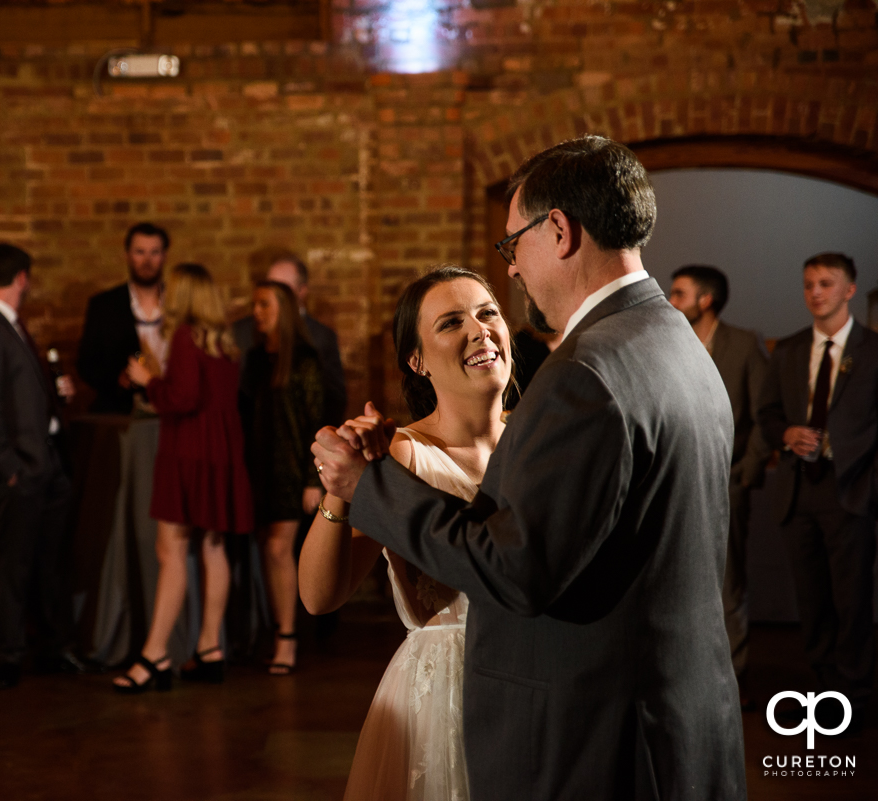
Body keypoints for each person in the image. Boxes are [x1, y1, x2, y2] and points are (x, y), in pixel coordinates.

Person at [313, 136, 745, 798]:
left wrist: (366, 484)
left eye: (512, 247)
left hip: (602, 735)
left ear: (560, 231)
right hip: (674, 717)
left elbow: (517, 568)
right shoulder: (674, 343)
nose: (512, 271)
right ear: (417, 361)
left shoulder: (584, 375)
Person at [302, 266, 509, 801]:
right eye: (451, 322)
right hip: (447, 691)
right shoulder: (403, 454)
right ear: (416, 361)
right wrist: (341, 490)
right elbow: (319, 597)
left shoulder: (539, 439)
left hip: (537, 681)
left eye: (489, 313)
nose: (480, 330)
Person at [113, 263, 252, 692]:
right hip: (220, 452)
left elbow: (182, 398)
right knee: (212, 546)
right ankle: (210, 649)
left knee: (169, 548)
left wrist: (147, 379)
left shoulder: (185, 338)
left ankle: (154, 656)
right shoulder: (225, 342)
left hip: (188, 451)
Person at [758, 252, 876, 732]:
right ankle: (821, 698)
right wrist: (786, 434)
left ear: (849, 290)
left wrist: (853, 459)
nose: (815, 293)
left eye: (826, 283)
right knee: (811, 600)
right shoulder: (786, 350)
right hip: (797, 491)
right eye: (808, 284)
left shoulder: (873, 351)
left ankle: (856, 699)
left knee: (852, 601)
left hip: (851, 491)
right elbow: (764, 415)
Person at [0, 243, 79, 690]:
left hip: (44, 460)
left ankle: (54, 647)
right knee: (15, 565)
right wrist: (10, 469)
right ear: (22, 278)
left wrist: (53, 393)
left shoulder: (3, 324)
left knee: (49, 562)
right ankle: (9, 655)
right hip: (20, 469)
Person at [668, 264, 770, 707]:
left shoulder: (744, 344)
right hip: (675, 485)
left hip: (728, 482)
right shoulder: (668, 343)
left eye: (678, 293)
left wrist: (745, 473)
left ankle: (731, 677)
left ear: (704, 300)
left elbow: (765, 413)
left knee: (728, 584)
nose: (670, 301)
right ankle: (685, 674)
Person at [240, 281, 325, 674]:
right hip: (258, 468)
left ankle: (287, 638)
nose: (255, 311)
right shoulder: (256, 358)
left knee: (278, 549)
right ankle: (275, 630)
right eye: (254, 304)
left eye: (263, 304)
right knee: (266, 550)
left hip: (291, 468)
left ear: (283, 310)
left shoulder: (305, 359)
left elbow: (317, 421)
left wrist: (313, 478)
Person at [233, 254, 346, 425]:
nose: (272, 292)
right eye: (269, 284)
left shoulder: (320, 337)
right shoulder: (243, 332)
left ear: (302, 290)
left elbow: (333, 399)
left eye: (281, 287)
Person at [76, 222, 168, 414]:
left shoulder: (179, 303)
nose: (147, 260)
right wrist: (115, 379)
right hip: (123, 411)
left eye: (154, 252)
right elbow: (86, 362)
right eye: (140, 252)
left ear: (164, 256)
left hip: (173, 408)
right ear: (127, 255)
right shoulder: (104, 305)